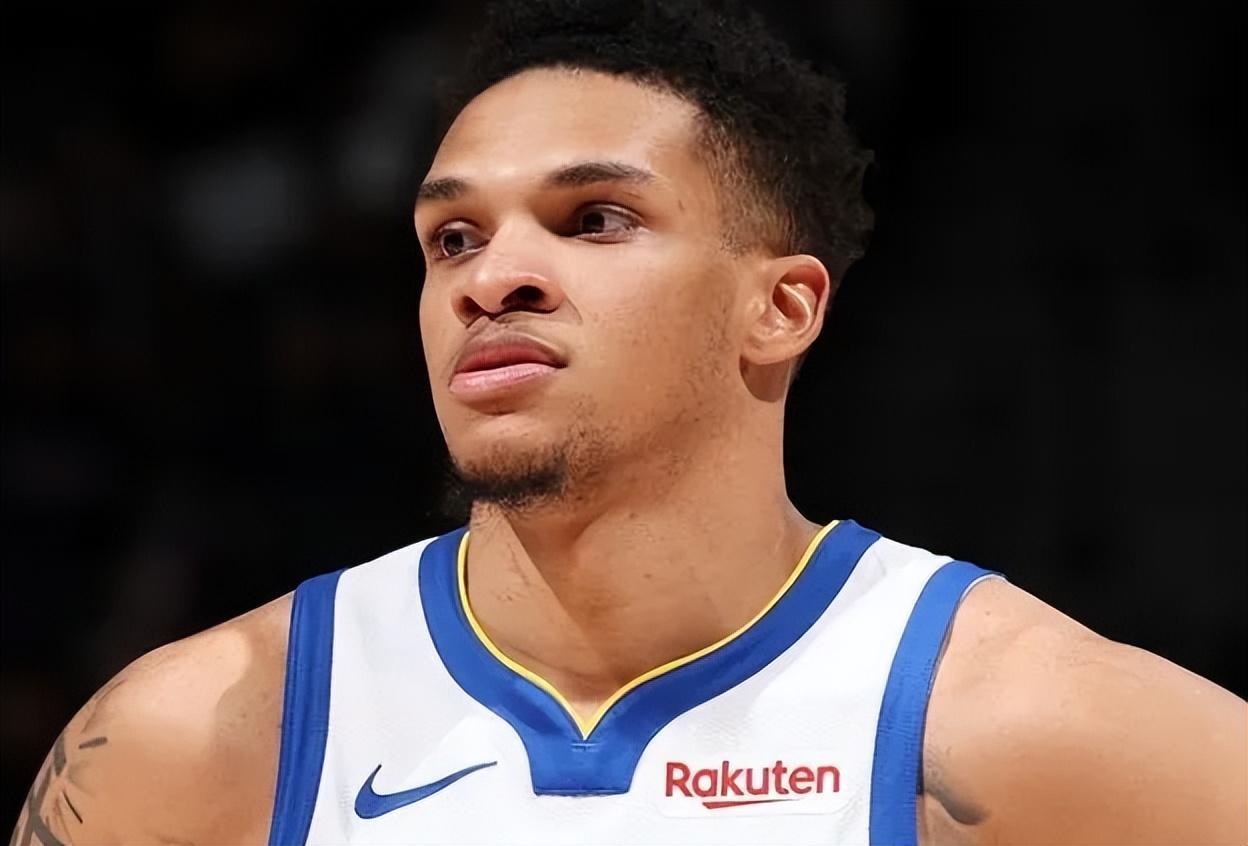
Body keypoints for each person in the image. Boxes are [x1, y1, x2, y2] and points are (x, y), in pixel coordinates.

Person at [11, 1, 1246, 844]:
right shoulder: (202, 737)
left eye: (595, 218)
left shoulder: (1028, 726)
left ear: (781, 308)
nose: (493, 278)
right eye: (454, 236)